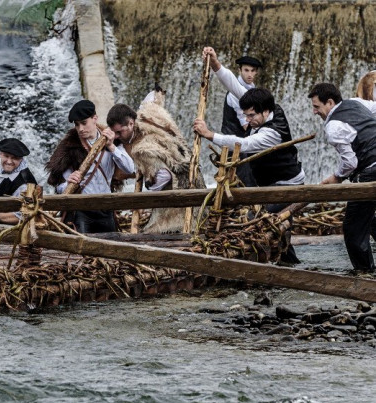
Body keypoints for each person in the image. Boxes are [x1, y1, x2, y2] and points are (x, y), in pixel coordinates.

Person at [193, 46, 304, 263]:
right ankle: (286, 261)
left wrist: (209, 134)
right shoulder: (264, 106)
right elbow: (234, 86)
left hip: (286, 184)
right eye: (246, 114)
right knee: (268, 221)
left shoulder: (272, 132)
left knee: (257, 220)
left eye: (251, 116)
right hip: (270, 182)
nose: (248, 120)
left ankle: (277, 263)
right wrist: (215, 64)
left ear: (264, 111)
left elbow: (243, 144)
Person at [106, 89, 199, 233]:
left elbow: (163, 176)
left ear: (131, 123)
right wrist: (157, 91)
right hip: (193, 171)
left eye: (120, 132)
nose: (117, 136)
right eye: (115, 132)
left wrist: (150, 184)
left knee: (162, 228)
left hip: (178, 192)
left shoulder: (141, 150)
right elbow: (151, 99)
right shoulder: (149, 114)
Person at [308, 82, 376, 272]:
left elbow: (350, 163)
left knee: (353, 228)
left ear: (329, 103)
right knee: (369, 218)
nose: (314, 112)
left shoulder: (333, 127)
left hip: (370, 172)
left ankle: (366, 274)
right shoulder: (356, 103)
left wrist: (336, 177)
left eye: (316, 107)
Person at [46, 99, 134, 233]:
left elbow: (129, 168)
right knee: (81, 250)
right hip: (80, 210)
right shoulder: (69, 148)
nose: (80, 129)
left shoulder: (112, 139)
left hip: (106, 207)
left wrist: (111, 146)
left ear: (95, 119)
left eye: (83, 123)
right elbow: (59, 185)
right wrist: (69, 182)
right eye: (77, 125)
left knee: (110, 248)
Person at [220, 56, 263, 187]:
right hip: (235, 143)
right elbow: (246, 125)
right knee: (244, 180)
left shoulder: (251, 87)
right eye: (246, 70)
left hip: (243, 141)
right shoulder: (235, 93)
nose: (249, 74)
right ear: (239, 70)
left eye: (252, 71)